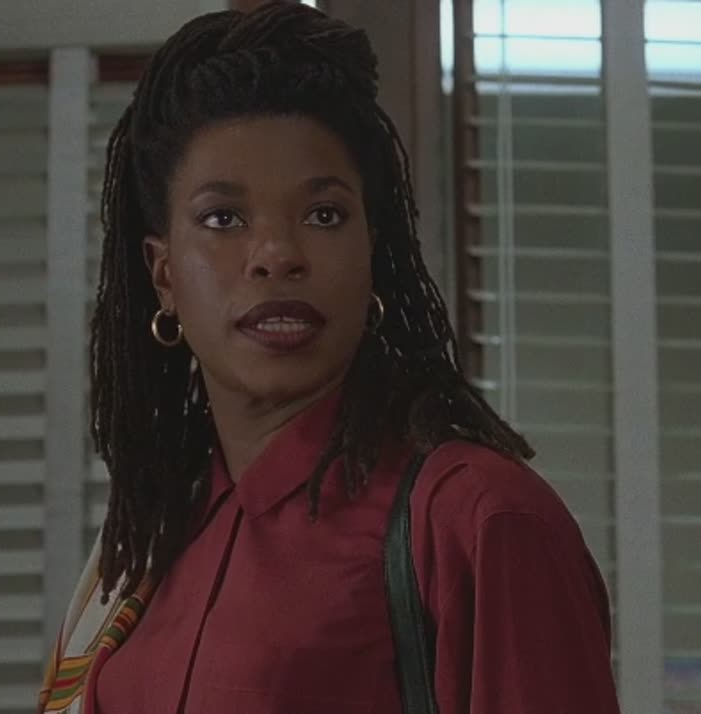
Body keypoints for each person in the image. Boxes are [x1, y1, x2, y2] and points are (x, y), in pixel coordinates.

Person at [37, 3, 620, 712]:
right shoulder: (145, 545)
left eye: (324, 215)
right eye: (223, 218)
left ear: (371, 250)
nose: (277, 254)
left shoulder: (479, 521)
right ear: (164, 276)